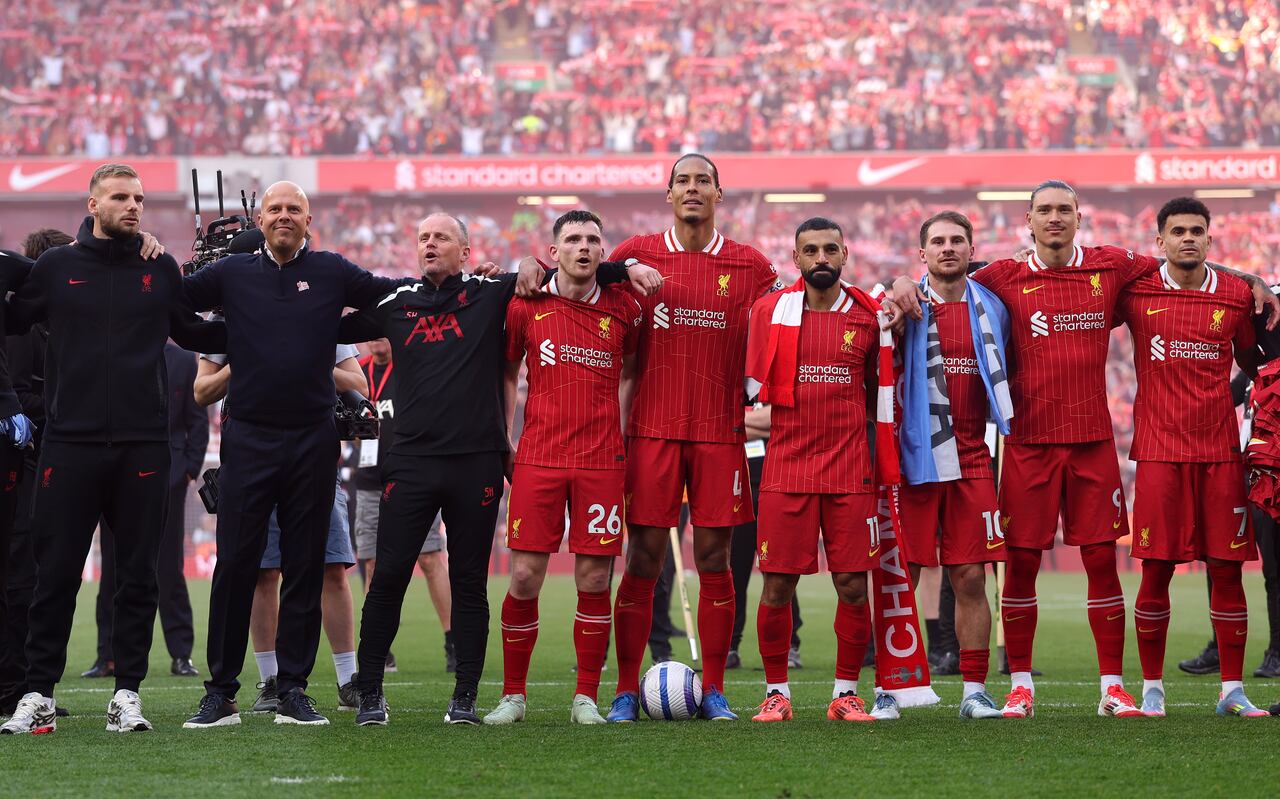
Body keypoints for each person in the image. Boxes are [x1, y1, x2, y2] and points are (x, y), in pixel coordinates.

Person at [888, 179, 1278, 720]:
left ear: (1078, 216)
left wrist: (1250, 278)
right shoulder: (1001, 276)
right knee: (1020, 565)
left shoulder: (1113, 266)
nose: (1054, 218)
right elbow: (942, 275)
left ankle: (1113, 687)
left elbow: (1184, 259)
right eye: (1044, 210)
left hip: (1093, 442)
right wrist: (902, 279)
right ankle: (1020, 685)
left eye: (1064, 210)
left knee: (1101, 563)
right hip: (1027, 443)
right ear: (1028, 220)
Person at [337, 213, 659, 726]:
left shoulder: (492, 294)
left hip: (480, 464)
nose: (430, 244)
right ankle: (371, 691)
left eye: (441, 237)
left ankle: (469, 697)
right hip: (416, 464)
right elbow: (332, 326)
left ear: (466, 251)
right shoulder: (397, 303)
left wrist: (626, 268)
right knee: (390, 577)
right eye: (422, 237)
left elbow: (569, 270)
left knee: (471, 580)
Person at [1, 164, 222, 736]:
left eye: (140, 199)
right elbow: (12, 314)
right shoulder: (55, 268)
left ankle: (127, 695)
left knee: (138, 577)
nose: (133, 206)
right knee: (55, 576)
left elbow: (195, 333)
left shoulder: (159, 267)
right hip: (68, 444)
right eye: (120, 197)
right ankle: (37, 694)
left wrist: (259, 323)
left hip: (143, 444)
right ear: (92, 203)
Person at [180, 181, 407, 729]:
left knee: (306, 565)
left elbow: (385, 295)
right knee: (236, 565)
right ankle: (220, 691)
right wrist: (146, 260)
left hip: (313, 436)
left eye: (294, 210)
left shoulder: (331, 270)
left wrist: (456, 285)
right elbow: (174, 301)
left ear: (309, 220)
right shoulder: (230, 275)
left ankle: (294, 689)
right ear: (260, 219)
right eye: (275, 209)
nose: (284, 216)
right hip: (248, 438)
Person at [606, 153, 782, 723]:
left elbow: (800, 306)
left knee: (714, 557)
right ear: (668, 193)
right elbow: (585, 284)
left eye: (702, 181)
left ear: (718, 194)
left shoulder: (751, 265)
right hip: (652, 432)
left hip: (719, 433)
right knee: (644, 558)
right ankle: (626, 691)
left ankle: (714, 689)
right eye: (683, 181)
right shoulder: (633, 253)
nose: (692, 189)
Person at [484, 210, 642, 726]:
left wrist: (616, 434)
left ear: (604, 252)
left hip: (600, 461)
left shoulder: (624, 309)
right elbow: (508, 371)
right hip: (539, 456)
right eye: (572, 239)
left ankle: (585, 697)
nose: (583, 247)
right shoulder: (526, 305)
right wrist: (506, 438)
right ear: (554, 252)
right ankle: (514, 695)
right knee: (525, 575)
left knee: (595, 578)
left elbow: (631, 374)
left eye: (593, 240)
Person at [1119, 196, 1267, 717]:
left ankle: (1232, 690)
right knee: (1156, 570)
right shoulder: (1136, 290)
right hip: (1159, 455)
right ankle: (1152, 689)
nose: (1187, 238)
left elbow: (1257, 365)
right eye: (1177, 230)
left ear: (1210, 239)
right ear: (1159, 240)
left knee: (1227, 572)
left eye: (1197, 231)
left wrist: (1256, 283)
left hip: (1221, 455)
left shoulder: (1232, 294)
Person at [744, 217, 889, 723]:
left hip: (850, 472)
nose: (821, 258)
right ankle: (776, 693)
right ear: (796, 257)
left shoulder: (871, 318)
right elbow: (742, 386)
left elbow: (882, 394)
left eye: (830, 249)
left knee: (852, 586)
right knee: (778, 587)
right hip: (785, 470)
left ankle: (845, 693)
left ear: (845, 254)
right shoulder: (767, 312)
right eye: (811, 250)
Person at [193, 344, 368, 713]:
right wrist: (244, 363)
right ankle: (271, 681)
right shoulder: (230, 313)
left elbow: (358, 383)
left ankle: (348, 679)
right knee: (262, 572)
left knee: (330, 566)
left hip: (311, 455)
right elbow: (202, 391)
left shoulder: (318, 305)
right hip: (250, 459)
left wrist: (311, 362)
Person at [897, 211, 1013, 719]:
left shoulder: (993, 307)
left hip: (971, 455)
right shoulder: (903, 305)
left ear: (971, 249)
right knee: (904, 574)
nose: (948, 248)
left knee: (970, 577)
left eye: (957, 241)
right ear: (922, 253)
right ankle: (892, 689)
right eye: (938, 242)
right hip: (917, 458)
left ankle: (973, 692)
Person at [85, 341, 207, 681]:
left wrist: (188, 471)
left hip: (169, 478)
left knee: (169, 569)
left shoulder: (184, 359)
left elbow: (196, 420)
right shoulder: (116, 348)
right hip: (116, 475)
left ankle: (181, 654)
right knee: (111, 568)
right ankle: (105, 656)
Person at [353, 338, 454, 674]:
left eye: (383, 333)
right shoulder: (359, 372)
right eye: (372, 334)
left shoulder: (412, 366)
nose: (377, 340)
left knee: (429, 558)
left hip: (413, 478)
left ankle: (453, 640)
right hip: (368, 481)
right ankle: (379, 647)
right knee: (371, 563)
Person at [0, 233, 64, 717]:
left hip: (37, 460)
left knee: (30, 573)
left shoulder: (41, 326)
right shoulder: (22, 328)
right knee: (22, 574)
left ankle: (23, 683)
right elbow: (20, 394)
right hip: (20, 463)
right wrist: (69, 408)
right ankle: (16, 684)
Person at [727, 404, 803, 671]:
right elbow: (722, 422)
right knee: (734, 570)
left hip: (776, 484)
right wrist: (752, 424)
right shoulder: (737, 381)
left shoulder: (774, 379)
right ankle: (730, 646)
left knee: (779, 570)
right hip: (737, 487)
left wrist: (737, 423)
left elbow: (783, 418)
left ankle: (790, 645)